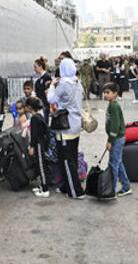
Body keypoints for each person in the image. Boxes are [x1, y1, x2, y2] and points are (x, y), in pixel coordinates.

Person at [48, 58, 85, 198]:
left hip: (65, 127)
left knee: (65, 160)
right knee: (73, 158)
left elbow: (51, 99)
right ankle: (66, 186)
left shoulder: (63, 84)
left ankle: (75, 191)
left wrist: (52, 85)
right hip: (76, 125)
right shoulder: (77, 82)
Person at [103, 83, 131, 197]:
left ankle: (112, 190)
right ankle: (126, 186)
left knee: (114, 164)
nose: (105, 95)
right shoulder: (111, 104)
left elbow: (115, 125)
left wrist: (110, 141)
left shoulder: (114, 106)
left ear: (115, 94)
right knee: (118, 162)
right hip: (116, 138)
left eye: (108, 92)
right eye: (104, 92)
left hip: (117, 139)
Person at [26, 97, 51, 198]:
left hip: (39, 144)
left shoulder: (34, 118)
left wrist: (31, 146)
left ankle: (45, 189)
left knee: (41, 166)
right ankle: (42, 185)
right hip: (42, 143)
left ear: (29, 107)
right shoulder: (39, 116)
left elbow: (34, 134)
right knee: (40, 164)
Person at [33, 57, 51, 124]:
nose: (34, 69)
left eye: (35, 67)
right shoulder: (39, 80)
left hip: (45, 104)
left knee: (44, 122)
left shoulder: (46, 77)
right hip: (40, 104)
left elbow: (48, 91)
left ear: (40, 66)